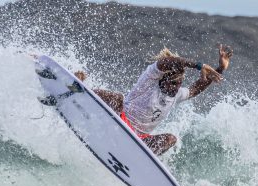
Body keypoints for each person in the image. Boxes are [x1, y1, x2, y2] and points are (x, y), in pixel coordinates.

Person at [75, 44, 233, 155]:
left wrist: (220, 69)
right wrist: (199, 65)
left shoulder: (176, 95)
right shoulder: (150, 79)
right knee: (117, 98)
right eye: (174, 80)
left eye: (180, 81)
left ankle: (136, 160)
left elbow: (195, 88)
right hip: (119, 119)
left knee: (170, 139)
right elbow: (166, 62)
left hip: (139, 141)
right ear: (164, 76)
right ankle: (75, 90)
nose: (177, 85)